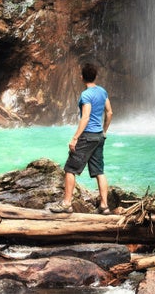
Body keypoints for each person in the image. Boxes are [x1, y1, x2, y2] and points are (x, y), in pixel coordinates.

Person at [50, 62, 113, 214]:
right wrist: (104, 131)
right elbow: (109, 112)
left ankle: (66, 204)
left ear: (81, 77)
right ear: (95, 77)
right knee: (99, 171)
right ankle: (104, 206)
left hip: (87, 136)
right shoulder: (102, 92)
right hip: (98, 136)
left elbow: (85, 117)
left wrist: (75, 138)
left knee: (70, 169)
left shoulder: (86, 95)